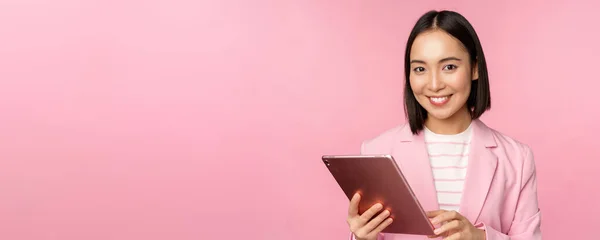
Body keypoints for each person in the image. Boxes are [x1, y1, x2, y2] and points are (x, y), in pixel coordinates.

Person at [346, 10, 541, 240]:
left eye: (449, 67)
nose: (435, 84)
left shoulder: (517, 159)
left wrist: (480, 237)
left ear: (475, 68)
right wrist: (361, 237)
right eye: (420, 69)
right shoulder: (376, 152)